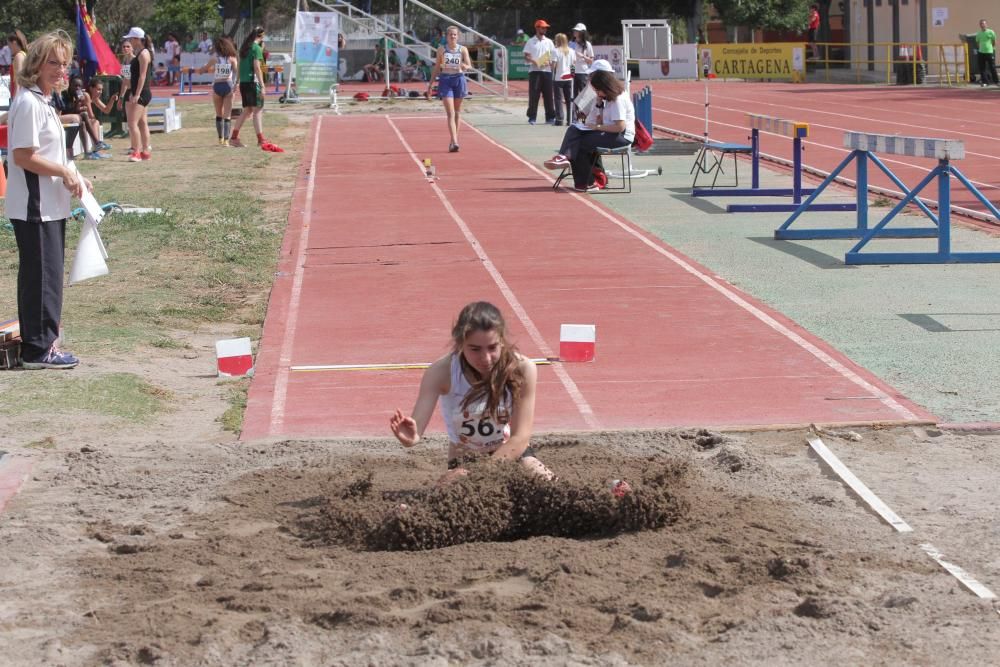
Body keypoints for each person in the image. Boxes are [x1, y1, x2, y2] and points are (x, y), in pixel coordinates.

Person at [390, 301, 554, 486]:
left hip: (510, 454)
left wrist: (485, 473)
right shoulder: (441, 372)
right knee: (456, 483)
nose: (485, 358)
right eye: (475, 349)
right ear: (460, 344)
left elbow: (520, 437)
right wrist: (411, 439)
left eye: (492, 348)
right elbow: (415, 431)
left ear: (502, 341)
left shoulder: (523, 368)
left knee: (542, 476)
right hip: (464, 463)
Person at [7, 31, 92, 369]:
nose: (60, 70)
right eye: (53, 62)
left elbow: (50, 151)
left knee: (47, 276)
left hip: (50, 206)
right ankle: (38, 350)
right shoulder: (28, 102)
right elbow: (24, 156)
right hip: (35, 207)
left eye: (64, 63)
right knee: (42, 278)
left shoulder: (43, 100)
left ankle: (43, 341)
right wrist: (63, 171)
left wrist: (73, 173)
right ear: (38, 64)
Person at [543, 65, 635, 193]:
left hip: (622, 136)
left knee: (579, 143)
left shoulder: (618, 99)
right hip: (610, 132)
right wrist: (598, 106)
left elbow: (620, 127)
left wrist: (597, 127)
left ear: (605, 87)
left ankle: (586, 180)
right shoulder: (607, 97)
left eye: (598, 91)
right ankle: (566, 160)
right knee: (574, 129)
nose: (597, 94)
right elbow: (604, 120)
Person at [230, 26, 282, 152]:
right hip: (253, 83)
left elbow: (240, 67)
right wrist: (262, 85)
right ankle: (261, 139)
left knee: (247, 110)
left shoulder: (244, 48)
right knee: (258, 110)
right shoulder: (256, 49)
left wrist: (237, 82)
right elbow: (257, 68)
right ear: (261, 37)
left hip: (244, 83)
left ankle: (234, 137)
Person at [426, 25, 471, 152]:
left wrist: (463, 65)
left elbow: (469, 65)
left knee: (457, 112)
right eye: (450, 34)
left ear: (458, 36)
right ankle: (455, 142)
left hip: (459, 79)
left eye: (455, 34)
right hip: (446, 80)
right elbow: (436, 68)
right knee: (450, 113)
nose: (452, 36)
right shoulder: (441, 49)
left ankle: (453, 140)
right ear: (446, 36)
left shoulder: (463, 49)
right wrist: (430, 84)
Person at [198, 36, 238, 146]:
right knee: (227, 114)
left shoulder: (214, 58)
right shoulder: (232, 58)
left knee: (218, 113)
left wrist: (200, 71)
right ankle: (226, 140)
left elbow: (204, 69)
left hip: (217, 86)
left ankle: (220, 138)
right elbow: (236, 72)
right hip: (228, 85)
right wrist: (236, 84)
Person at [123, 26, 153, 162]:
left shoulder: (143, 54)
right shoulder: (142, 52)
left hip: (142, 92)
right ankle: (145, 151)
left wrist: (136, 94)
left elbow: (142, 76)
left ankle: (136, 152)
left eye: (131, 38)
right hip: (141, 92)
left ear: (137, 39)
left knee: (132, 123)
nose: (129, 41)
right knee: (142, 123)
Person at [67, 77, 110, 159]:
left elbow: (106, 110)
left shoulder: (84, 96)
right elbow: (68, 110)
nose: (78, 88)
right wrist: (79, 103)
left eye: (80, 86)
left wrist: (112, 100)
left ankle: (89, 152)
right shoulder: (81, 95)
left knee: (87, 121)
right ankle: (97, 144)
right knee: (91, 120)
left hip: (77, 118)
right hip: (68, 118)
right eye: (98, 89)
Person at [523, 19, 556, 125]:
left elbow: (553, 56)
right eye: (542, 27)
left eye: (546, 27)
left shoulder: (549, 41)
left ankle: (550, 117)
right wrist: (535, 62)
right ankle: (532, 117)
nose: (545, 29)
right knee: (534, 95)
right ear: (537, 28)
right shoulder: (530, 41)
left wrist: (549, 62)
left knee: (548, 95)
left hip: (547, 71)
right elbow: (526, 56)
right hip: (534, 71)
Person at [551, 33, 576, 126]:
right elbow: (573, 64)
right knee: (570, 99)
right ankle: (571, 119)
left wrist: (551, 67)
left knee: (558, 99)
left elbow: (553, 66)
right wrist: (572, 75)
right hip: (569, 77)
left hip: (558, 78)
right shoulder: (572, 51)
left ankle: (559, 119)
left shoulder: (555, 51)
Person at [570, 23, 594, 99]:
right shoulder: (570, 43)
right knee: (573, 93)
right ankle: (574, 111)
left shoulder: (587, 44)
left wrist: (583, 56)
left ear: (582, 32)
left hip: (583, 71)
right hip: (572, 69)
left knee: (584, 94)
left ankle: (584, 111)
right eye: (574, 30)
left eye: (577, 30)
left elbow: (591, 61)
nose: (575, 32)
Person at [975, 19, 998, 87]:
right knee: (982, 68)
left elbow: (994, 41)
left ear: (986, 24)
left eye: (984, 23)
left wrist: (992, 48)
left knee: (992, 67)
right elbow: (977, 43)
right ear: (980, 25)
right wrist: (980, 49)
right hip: (981, 52)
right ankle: (985, 82)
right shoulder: (978, 33)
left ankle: (996, 82)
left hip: (990, 52)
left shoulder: (991, 32)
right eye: (981, 24)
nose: (982, 25)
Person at [8, 30, 29, 98]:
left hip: (19, 95)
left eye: (9, 46)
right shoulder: (24, 54)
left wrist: (16, 100)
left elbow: (18, 81)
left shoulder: (18, 56)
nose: (9, 49)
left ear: (14, 43)